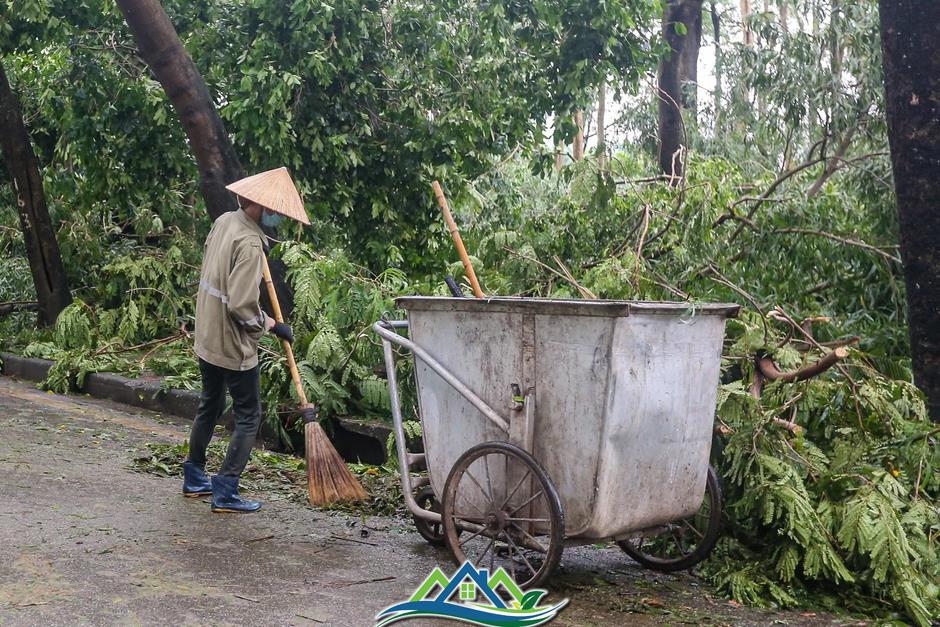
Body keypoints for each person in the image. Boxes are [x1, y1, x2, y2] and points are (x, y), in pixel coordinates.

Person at [181, 167, 311, 513]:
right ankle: (225, 491)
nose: (277, 218)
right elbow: (240, 306)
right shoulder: (251, 244)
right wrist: (271, 324)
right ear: (257, 205)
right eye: (276, 212)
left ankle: (194, 477)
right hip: (231, 346)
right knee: (249, 415)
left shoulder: (225, 221)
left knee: (209, 404)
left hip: (206, 335)